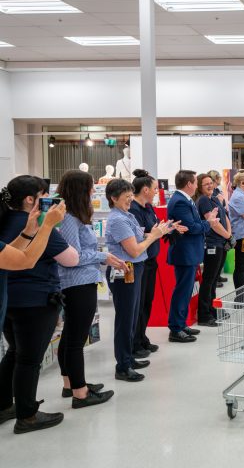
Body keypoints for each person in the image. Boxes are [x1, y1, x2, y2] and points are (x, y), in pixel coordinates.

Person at [0, 176, 78, 434]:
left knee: (15, 353)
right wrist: (48, 226)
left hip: (11, 300)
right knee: (29, 359)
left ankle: (5, 405)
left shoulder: (8, 221)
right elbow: (29, 260)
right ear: (30, 199)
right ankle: (27, 415)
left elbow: (12, 253)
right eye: (44, 196)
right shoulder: (42, 225)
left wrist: (33, 229)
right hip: (35, 300)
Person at [57, 170, 125, 409]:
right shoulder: (69, 218)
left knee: (70, 336)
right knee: (76, 339)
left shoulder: (74, 216)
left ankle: (71, 384)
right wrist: (102, 256)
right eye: (89, 187)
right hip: (76, 282)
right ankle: (80, 393)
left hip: (81, 280)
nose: (93, 191)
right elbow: (73, 257)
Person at [105, 179, 173, 382]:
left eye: (130, 196)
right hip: (126, 270)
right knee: (126, 319)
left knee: (133, 317)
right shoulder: (118, 220)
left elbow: (138, 237)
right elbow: (134, 250)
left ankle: (128, 358)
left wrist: (158, 232)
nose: (130, 200)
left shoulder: (127, 215)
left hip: (135, 269)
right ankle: (123, 366)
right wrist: (154, 236)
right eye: (126, 197)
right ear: (113, 198)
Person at [0, 186, 66, 332]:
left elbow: (8, 254)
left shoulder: (11, 221)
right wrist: (47, 225)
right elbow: (26, 261)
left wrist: (29, 231)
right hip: (35, 300)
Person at [166, 170, 220, 343]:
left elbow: (194, 224)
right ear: (189, 184)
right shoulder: (180, 201)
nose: (197, 185)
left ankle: (181, 324)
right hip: (184, 253)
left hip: (189, 253)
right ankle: (176, 328)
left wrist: (204, 223)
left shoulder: (185, 199)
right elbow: (192, 227)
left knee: (186, 290)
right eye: (196, 182)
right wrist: (209, 223)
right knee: (182, 290)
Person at [128, 170, 165, 358]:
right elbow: (141, 235)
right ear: (145, 190)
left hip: (151, 260)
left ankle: (142, 337)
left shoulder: (148, 207)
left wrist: (166, 229)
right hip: (140, 261)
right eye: (155, 189)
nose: (157, 192)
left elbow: (155, 228)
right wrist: (155, 233)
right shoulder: (134, 210)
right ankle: (134, 342)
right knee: (139, 303)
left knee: (147, 302)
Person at [194, 173, 231, 327]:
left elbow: (225, 217)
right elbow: (214, 224)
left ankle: (212, 309)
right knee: (209, 280)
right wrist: (228, 235)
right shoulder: (203, 200)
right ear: (199, 187)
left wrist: (228, 235)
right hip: (212, 244)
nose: (210, 185)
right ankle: (204, 315)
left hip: (221, 242)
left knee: (214, 279)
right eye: (206, 184)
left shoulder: (214, 199)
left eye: (211, 182)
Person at [207, 170, 229, 287]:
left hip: (222, 233)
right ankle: (215, 279)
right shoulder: (209, 197)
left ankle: (217, 276)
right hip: (215, 236)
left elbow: (223, 209)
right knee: (214, 264)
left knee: (221, 258)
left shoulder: (217, 192)